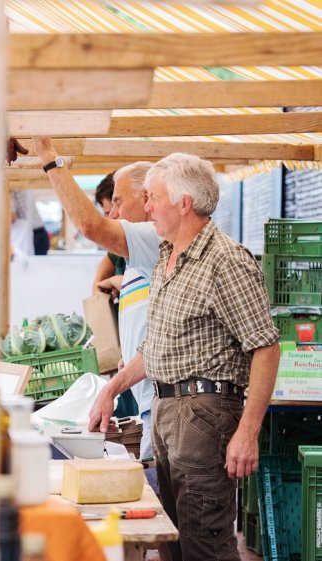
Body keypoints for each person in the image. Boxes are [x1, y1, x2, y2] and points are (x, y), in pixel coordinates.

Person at [86, 152, 280, 561]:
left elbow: (265, 347)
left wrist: (247, 433)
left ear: (184, 203)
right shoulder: (166, 257)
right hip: (168, 409)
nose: (147, 206)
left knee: (204, 543)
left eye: (153, 198)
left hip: (204, 413)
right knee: (174, 540)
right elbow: (155, 346)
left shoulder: (225, 260)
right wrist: (111, 389)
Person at [34, 136, 158, 463]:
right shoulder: (138, 260)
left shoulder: (157, 239)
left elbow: (90, 225)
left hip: (161, 406)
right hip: (150, 404)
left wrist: (50, 158)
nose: (113, 213)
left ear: (148, 199)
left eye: (118, 202)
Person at [11, 190, 50, 255]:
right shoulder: (21, 184)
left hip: (34, 235)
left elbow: (12, 217)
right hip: (38, 233)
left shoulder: (12, 186)